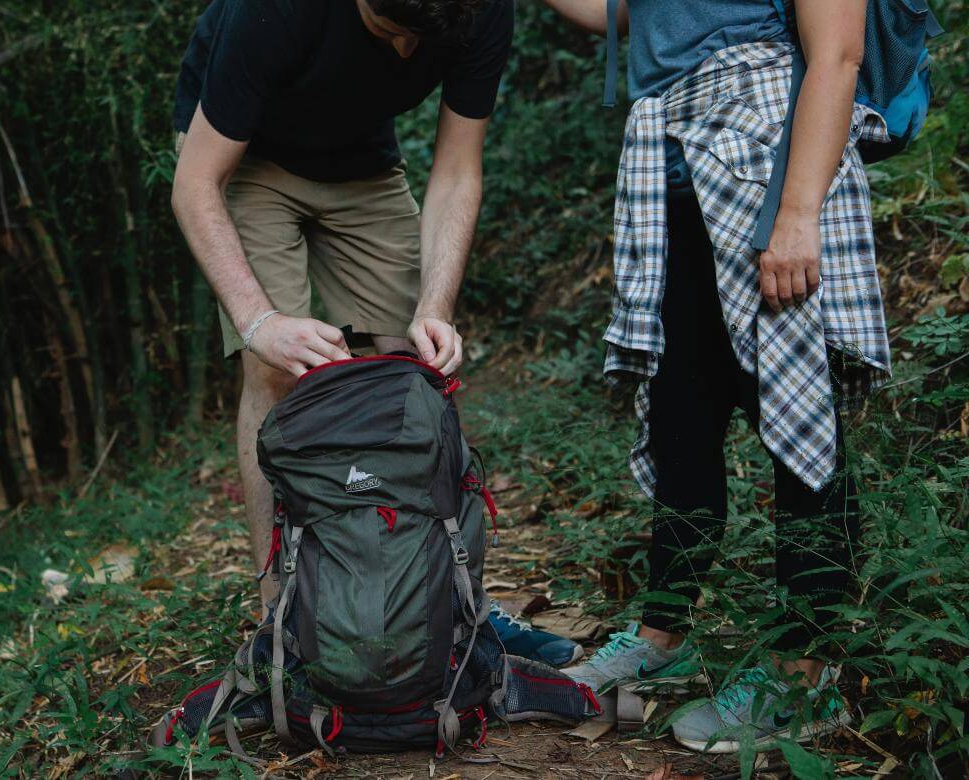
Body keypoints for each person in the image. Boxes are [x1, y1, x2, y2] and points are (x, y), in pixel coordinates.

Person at [171, 0, 581, 667]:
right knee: (279, 370)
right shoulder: (272, 14)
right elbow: (196, 185)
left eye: (418, 40)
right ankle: (284, 621)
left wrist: (435, 307)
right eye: (389, 33)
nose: (401, 54)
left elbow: (456, 169)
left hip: (360, 160)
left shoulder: (478, 9)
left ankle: (452, 607)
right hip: (242, 161)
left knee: (412, 371)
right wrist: (260, 322)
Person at [543, 0, 889, 752]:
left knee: (797, 424)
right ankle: (663, 640)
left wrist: (797, 213)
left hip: (768, 165)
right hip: (673, 176)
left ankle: (806, 674)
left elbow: (836, 53)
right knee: (682, 422)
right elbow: (622, 13)